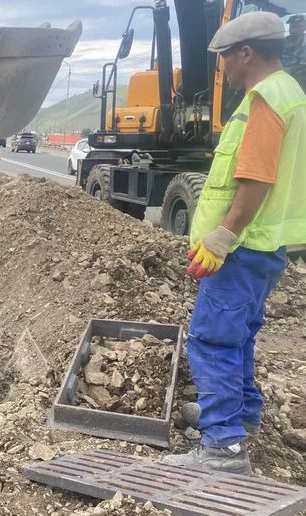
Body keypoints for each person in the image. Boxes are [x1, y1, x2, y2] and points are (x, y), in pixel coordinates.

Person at [163, 11, 306, 475]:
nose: (221, 66)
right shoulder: (291, 94)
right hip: (266, 246)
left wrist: (223, 238)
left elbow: (255, 180)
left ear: (247, 52)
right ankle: (239, 416)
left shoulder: (264, 100)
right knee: (239, 336)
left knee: (211, 339)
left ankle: (223, 446)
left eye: (224, 56)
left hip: (244, 246)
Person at [283, 14, 306, 90]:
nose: (294, 29)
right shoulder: (281, 43)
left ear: (304, 27)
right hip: (284, 82)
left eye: (298, 26)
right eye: (292, 26)